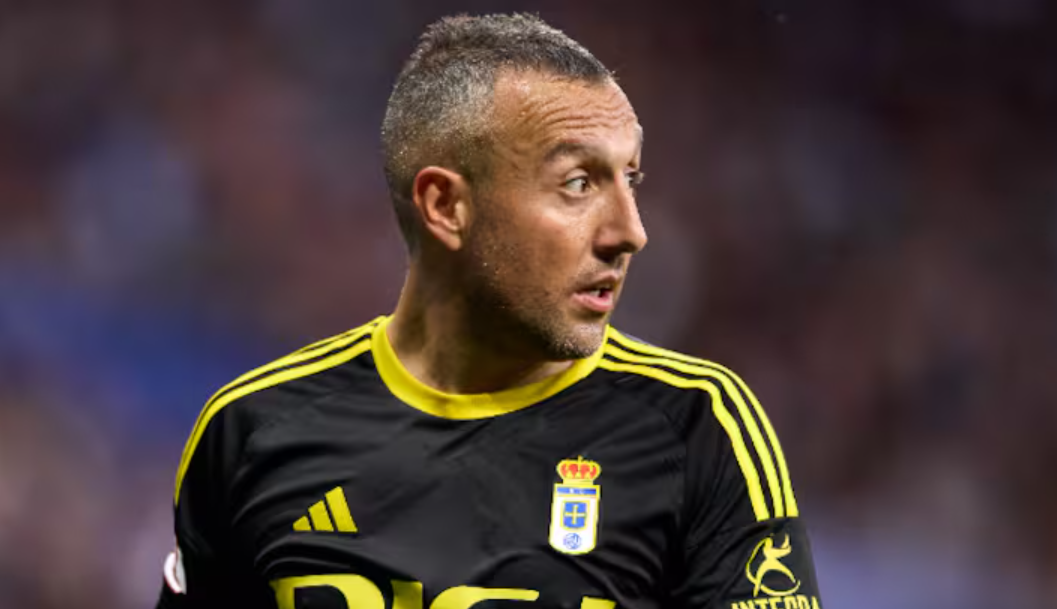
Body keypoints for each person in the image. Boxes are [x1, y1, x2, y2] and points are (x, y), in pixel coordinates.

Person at [157, 13, 823, 609]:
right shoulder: (252, 433)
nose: (630, 231)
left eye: (630, 180)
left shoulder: (695, 427)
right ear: (446, 206)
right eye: (578, 184)